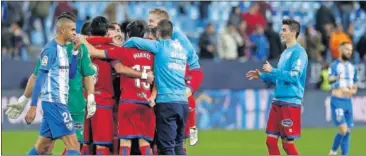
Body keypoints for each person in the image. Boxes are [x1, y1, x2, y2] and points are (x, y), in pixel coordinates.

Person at [6, 12, 81, 155]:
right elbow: (39, 77)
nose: (75, 33)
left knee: (42, 148)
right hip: (55, 104)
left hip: (57, 104)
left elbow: (70, 75)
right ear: (62, 30)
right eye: (72, 30)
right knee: (73, 146)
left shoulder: (64, 49)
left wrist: (76, 53)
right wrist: (33, 106)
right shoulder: (50, 50)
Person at [80, 20, 156, 155]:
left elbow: (95, 53)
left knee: (121, 142)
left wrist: (85, 39)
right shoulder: (152, 55)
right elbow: (156, 79)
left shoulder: (121, 51)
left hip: (125, 101)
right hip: (145, 102)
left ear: (127, 34)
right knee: (144, 142)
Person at [246, 19, 308, 155]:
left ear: (293, 32)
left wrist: (273, 70)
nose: (281, 33)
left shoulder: (299, 53)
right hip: (278, 101)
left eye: (284, 30)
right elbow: (279, 77)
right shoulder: (285, 53)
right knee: (270, 141)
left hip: (290, 102)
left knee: (287, 144)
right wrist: (262, 75)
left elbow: (293, 76)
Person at [147, 8, 202, 147]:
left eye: (151, 21)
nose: (149, 24)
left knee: (182, 98)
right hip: (173, 78)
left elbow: (191, 62)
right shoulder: (155, 36)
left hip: (186, 76)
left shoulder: (177, 36)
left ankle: (192, 126)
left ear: (162, 22)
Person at [328, 42, 358, 156]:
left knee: (348, 132)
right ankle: (333, 151)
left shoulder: (352, 67)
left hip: (348, 102)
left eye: (350, 50)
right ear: (341, 50)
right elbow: (330, 79)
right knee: (343, 129)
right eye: (347, 49)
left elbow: (355, 82)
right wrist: (336, 78)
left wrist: (352, 90)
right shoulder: (334, 65)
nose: (349, 52)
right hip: (338, 101)